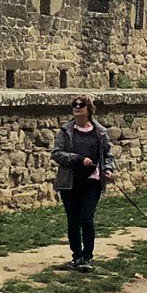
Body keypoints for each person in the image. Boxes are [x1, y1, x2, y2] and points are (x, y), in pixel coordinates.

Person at [52, 97, 114, 271]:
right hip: (70, 182)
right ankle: (76, 256)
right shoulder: (66, 131)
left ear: (89, 109)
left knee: (86, 219)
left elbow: (108, 154)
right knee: (73, 221)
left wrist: (108, 169)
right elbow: (57, 154)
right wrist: (78, 159)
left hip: (91, 182)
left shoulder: (100, 132)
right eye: (74, 105)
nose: (77, 108)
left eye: (81, 105)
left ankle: (88, 257)